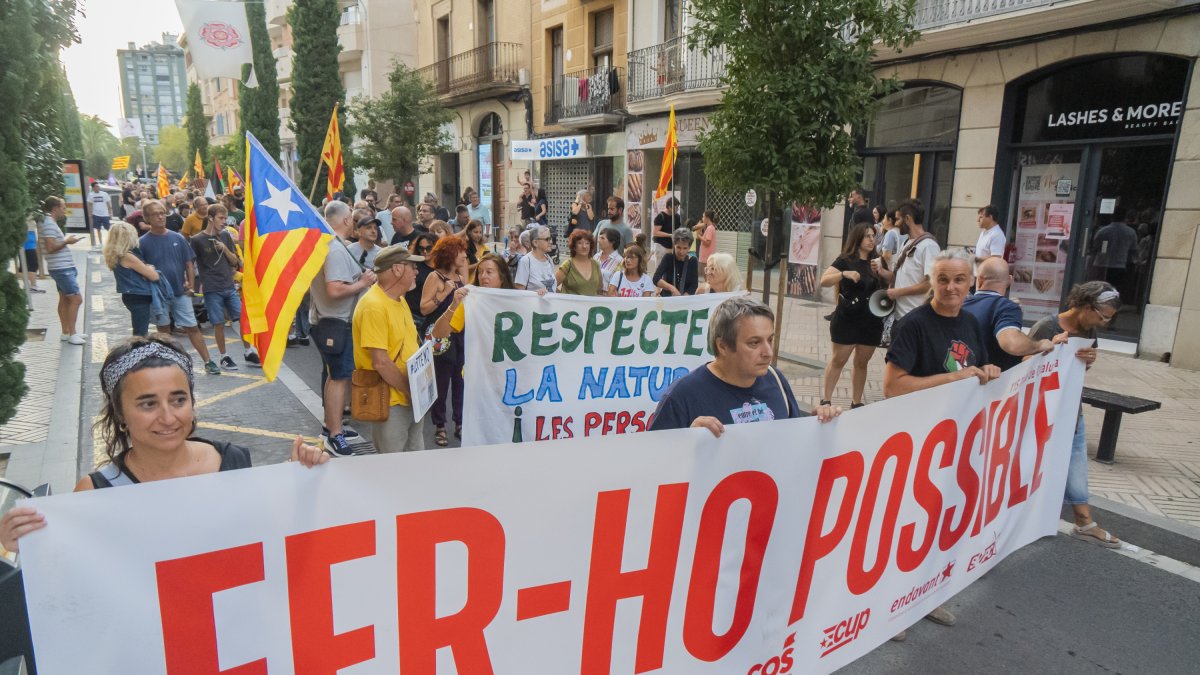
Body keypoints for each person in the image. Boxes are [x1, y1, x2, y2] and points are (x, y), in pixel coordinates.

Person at [0, 335, 325, 553]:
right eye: (147, 404)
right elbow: (73, 581)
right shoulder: (97, 493)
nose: (168, 417)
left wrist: (302, 481)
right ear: (120, 412)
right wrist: (24, 548)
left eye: (178, 399)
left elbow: (270, 540)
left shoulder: (234, 461)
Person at [883, 248, 998, 638]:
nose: (951, 287)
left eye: (959, 280)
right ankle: (888, 612)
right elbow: (892, 387)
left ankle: (925, 596)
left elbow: (974, 370)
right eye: (943, 279)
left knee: (936, 526)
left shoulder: (971, 322)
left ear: (972, 283)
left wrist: (989, 371)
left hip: (953, 444)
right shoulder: (913, 325)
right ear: (931, 282)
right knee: (904, 529)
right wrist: (951, 379)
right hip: (915, 441)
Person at [649, 296, 840, 434]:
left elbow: (793, 446)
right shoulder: (681, 397)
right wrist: (686, 442)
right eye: (754, 343)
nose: (768, 353)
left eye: (770, 340)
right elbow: (653, 466)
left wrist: (819, 425)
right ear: (722, 346)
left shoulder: (776, 379)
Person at [1029, 281, 1123, 548]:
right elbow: (1022, 366)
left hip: (1070, 408)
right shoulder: (1047, 326)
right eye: (1102, 315)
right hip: (1040, 409)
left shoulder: (1089, 329)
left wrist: (1089, 360)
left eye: (1108, 319)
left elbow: (1077, 368)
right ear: (1084, 305)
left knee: (1076, 459)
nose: (1103, 322)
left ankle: (1084, 521)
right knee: (1033, 463)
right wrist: (1047, 348)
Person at [310, 200, 377, 457]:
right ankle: (335, 434)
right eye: (351, 216)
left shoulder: (332, 246)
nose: (353, 220)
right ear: (347, 220)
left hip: (332, 321)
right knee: (338, 379)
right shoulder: (336, 249)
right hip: (336, 322)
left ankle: (332, 426)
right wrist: (362, 282)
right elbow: (335, 289)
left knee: (334, 376)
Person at [352, 246, 427, 453]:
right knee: (394, 469)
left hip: (410, 397)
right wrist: (410, 391)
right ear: (397, 269)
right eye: (412, 266)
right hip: (391, 401)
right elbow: (381, 362)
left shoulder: (399, 299)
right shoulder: (373, 306)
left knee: (415, 462)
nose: (416, 271)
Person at [138, 200, 218, 371]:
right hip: (158, 295)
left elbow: (188, 262)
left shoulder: (177, 238)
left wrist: (190, 284)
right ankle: (168, 364)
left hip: (180, 292)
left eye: (162, 213)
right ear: (147, 218)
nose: (160, 217)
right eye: (155, 214)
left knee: (192, 327)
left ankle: (208, 361)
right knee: (164, 329)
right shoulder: (143, 242)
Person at [819, 224, 885, 408]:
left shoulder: (877, 262)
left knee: (862, 363)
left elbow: (888, 283)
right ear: (857, 239)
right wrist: (843, 274)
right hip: (848, 319)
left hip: (871, 321)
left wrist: (882, 271)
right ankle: (826, 400)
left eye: (873, 236)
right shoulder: (845, 260)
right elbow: (824, 280)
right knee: (838, 360)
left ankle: (856, 402)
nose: (872, 240)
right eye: (867, 236)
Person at [962, 257, 1057, 371]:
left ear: (979, 279)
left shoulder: (961, 304)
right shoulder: (1006, 307)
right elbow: (1012, 343)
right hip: (992, 383)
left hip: (959, 379)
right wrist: (1039, 345)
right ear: (1010, 280)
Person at [420, 236, 468, 446]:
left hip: (459, 334)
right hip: (440, 337)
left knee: (460, 379)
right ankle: (440, 425)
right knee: (441, 381)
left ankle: (459, 421)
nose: (465, 255)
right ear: (450, 254)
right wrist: (445, 293)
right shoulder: (435, 277)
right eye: (461, 252)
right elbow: (424, 308)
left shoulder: (460, 276)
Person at [191, 203, 245, 370]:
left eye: (225, 218)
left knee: (243, 318)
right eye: (221, 218)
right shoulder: (197, 240)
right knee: (218, 323)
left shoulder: (226, 236)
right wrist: (193, 284)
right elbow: (191, 263)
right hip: (211, 287)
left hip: (228, 285)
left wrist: (224, 249)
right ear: (210, 218)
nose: (224, 222)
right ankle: (224, 356)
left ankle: (249, 351)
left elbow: (235, 261)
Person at [874, 199, 940, 333]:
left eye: (898, 219)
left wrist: (898, 292)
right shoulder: (908, 243)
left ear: (908, 219)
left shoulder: (929, 246)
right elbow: (899, 278)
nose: (896, 223)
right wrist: (881, 272)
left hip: (916, 318)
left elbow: (930, 284)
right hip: (901, 316)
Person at [432, 253, 516, 341]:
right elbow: (437, 333)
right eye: (480, 272)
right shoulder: (469, 301)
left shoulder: (515, 302)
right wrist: (453, 305)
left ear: (502, 276)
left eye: (489, 272)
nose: (483, 276)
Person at [39, 197, 87, 344]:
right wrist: (67, 241)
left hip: (61, 267)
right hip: (62, 268)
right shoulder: (48, 224)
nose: (64, 211)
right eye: (63, 207)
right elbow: (51, 247)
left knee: (65, 299)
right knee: (76, 299)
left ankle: (66, 332)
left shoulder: (48, 223)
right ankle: (72, 333)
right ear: (55, 208)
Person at [104, 221, 160, 337]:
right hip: (139, 296)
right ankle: (138, 352)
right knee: (140, 333)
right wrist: (150, 268)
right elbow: (154, 276)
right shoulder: (128, 256)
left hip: (130, 295)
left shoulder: (117, 255)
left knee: (140, 329)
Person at [1090, 210, 1138, 298]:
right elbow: (1133, 250)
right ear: (1125, 218)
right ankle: (1112, 307)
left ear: (1112, 217)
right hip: (1120, 264)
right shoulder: (1131, 232)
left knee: (1100, 288)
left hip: (1102, 263)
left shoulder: (1103, 231)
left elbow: (1095, 246)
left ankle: (1098, 303)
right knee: (1115, 289)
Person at [404, 233, 438, 335]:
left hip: (435, 317)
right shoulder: (415, 267)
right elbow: (403, 291)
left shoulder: (443, 267)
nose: (424, 252)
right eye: (421, 248)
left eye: (429, 248)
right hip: (415, 317)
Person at [556, 229, 604, 296]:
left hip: (591, 306)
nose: (584, 246)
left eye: (587, 243)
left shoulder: (596, 264)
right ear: (574, 247)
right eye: (580, 243)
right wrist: (563, 298)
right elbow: (552, 286)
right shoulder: (568, 265)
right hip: (570, 306)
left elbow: (599, 288)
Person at [654, 228, 699, 297]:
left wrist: (682, 298)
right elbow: (656, 278)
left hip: (685, 300)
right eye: (678, 247)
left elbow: (694, 285)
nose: (681, 252)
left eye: (685, 248)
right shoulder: (668, 258)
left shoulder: (693, 261)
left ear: (689, 248)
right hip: (667, 299)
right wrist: (672, 288)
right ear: (674, 245)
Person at [514, 225, 556, 293]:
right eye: (547, 239)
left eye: (550, 238)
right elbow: (519, 291)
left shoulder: (549, 259)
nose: (551, 242)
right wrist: (535, 294)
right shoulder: (526, 261)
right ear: (535, 243)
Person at [22, 224, 43, 293]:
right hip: (28, 243)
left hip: (28, 241)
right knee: (33, 264)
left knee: (26, 265)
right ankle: (33, 286)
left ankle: (27, 286)